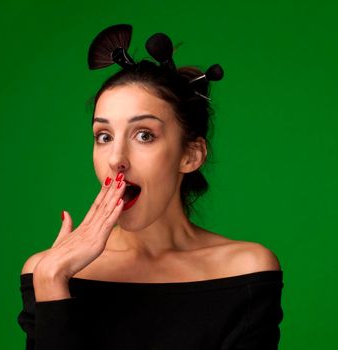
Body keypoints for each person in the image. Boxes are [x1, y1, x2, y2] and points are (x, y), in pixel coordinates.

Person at [16, 24, 284, 350]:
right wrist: (52, 283)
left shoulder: (248, 271)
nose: (116, 158)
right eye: (104, 136)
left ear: (191, 154)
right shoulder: (46, 272)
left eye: (144, 135)